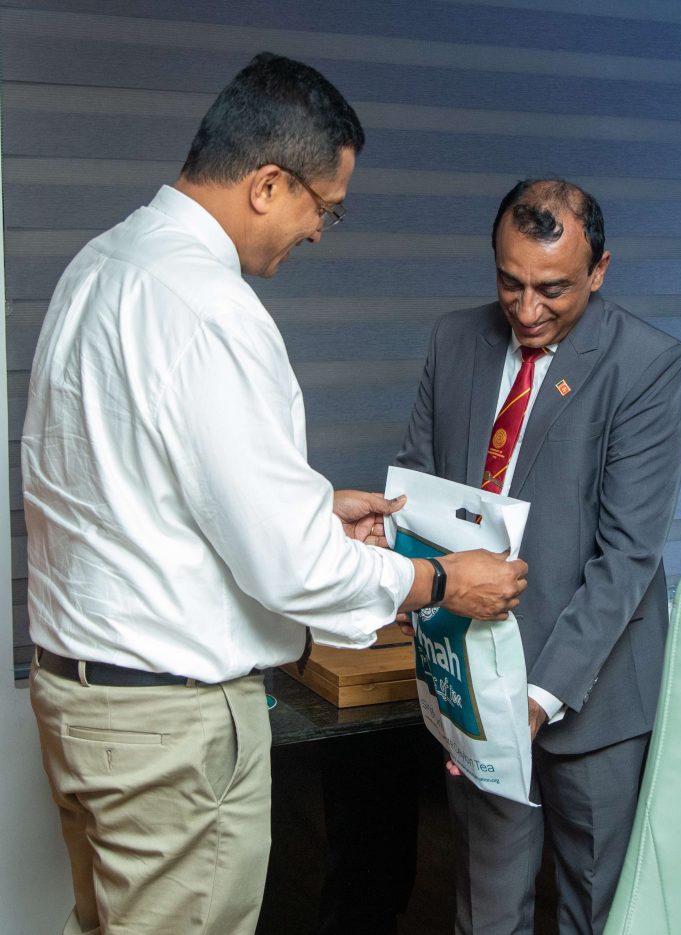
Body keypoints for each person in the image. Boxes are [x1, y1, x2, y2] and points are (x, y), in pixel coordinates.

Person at [21, 53, 527, 935]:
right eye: (324, 206)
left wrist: (312, 506)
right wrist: (442, 581)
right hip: (168, 728)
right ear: (266, 185)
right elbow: (291, 568)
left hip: (78, 703)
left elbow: (126, 479)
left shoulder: (103, 265)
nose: (320, 231)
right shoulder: (212, 308)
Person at [396, 178, 681, 935]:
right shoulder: (453, 340)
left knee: (597, 913)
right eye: (510, 282)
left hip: (593, 700)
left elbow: (627, 555)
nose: (526, 310)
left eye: (553, 289)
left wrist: (532, 699)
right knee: (487, 913)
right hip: (476, 684)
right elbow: (421, 499)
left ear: (599, 270)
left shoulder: (649, 364)